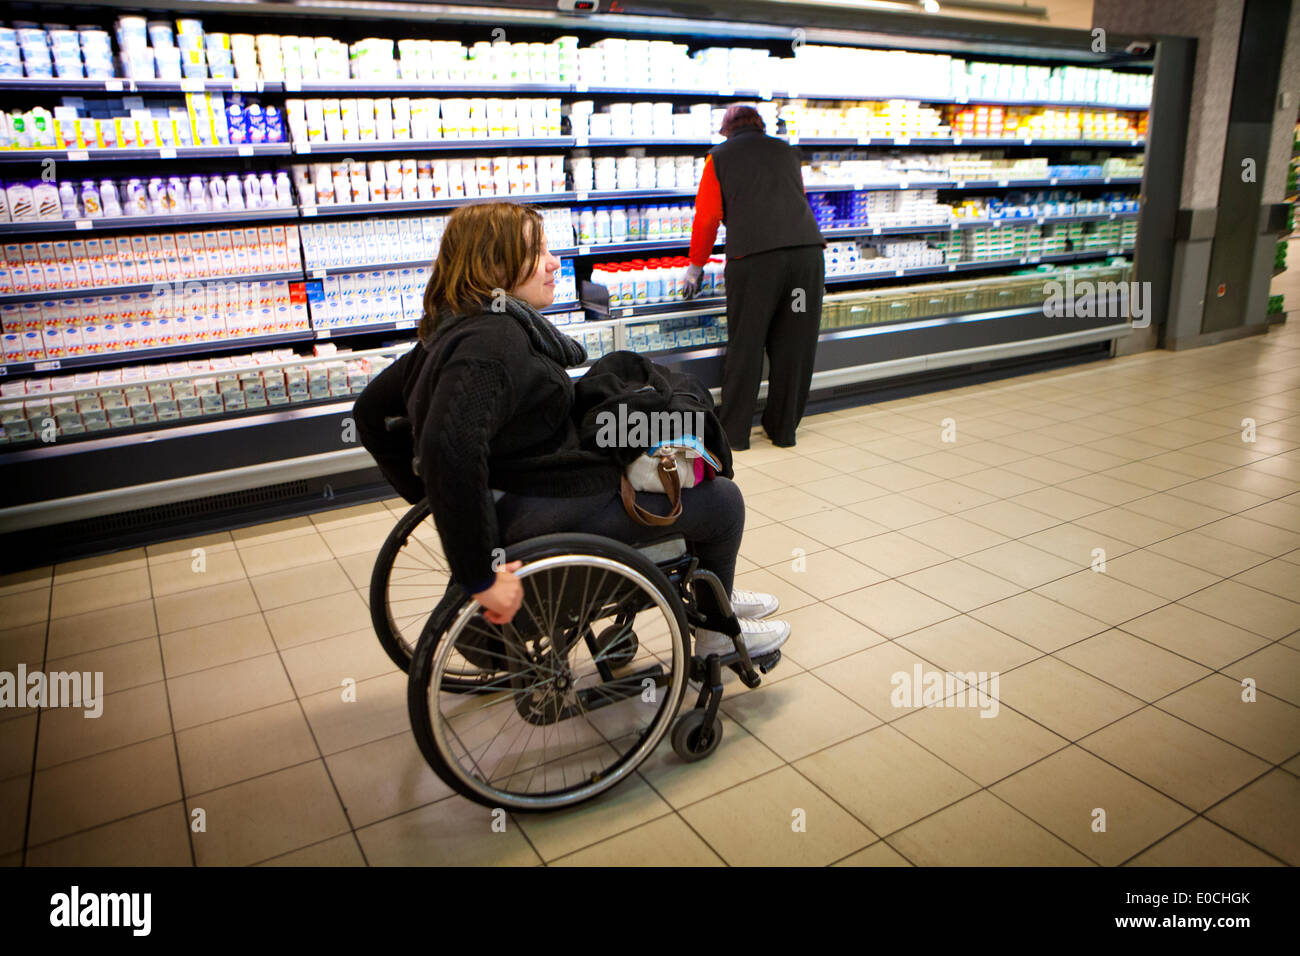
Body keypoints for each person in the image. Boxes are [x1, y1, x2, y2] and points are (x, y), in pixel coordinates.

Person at [354, 201, 789, 656]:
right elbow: (449, 449)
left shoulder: (449, 329)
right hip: (553, 506)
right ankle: (717, 632)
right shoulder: (492, 342)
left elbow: (370, 413)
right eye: (536, 252)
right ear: (495, 264)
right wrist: (479, 576)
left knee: (666, 437)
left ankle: (714, 593)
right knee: (721, 500)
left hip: (526, 500)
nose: (554, 262)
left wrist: (435, 500)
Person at [685, 104, 826, 450]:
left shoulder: (719, 157)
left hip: (756, 263)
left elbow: (707, 218)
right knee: (796, 341)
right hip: (805, 261)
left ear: (727, 130)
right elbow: (800, 200)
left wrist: (696, 265)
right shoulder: (786, 152)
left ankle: (734, 434)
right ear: (761, 126)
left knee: (747, 342)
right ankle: (783, 430)